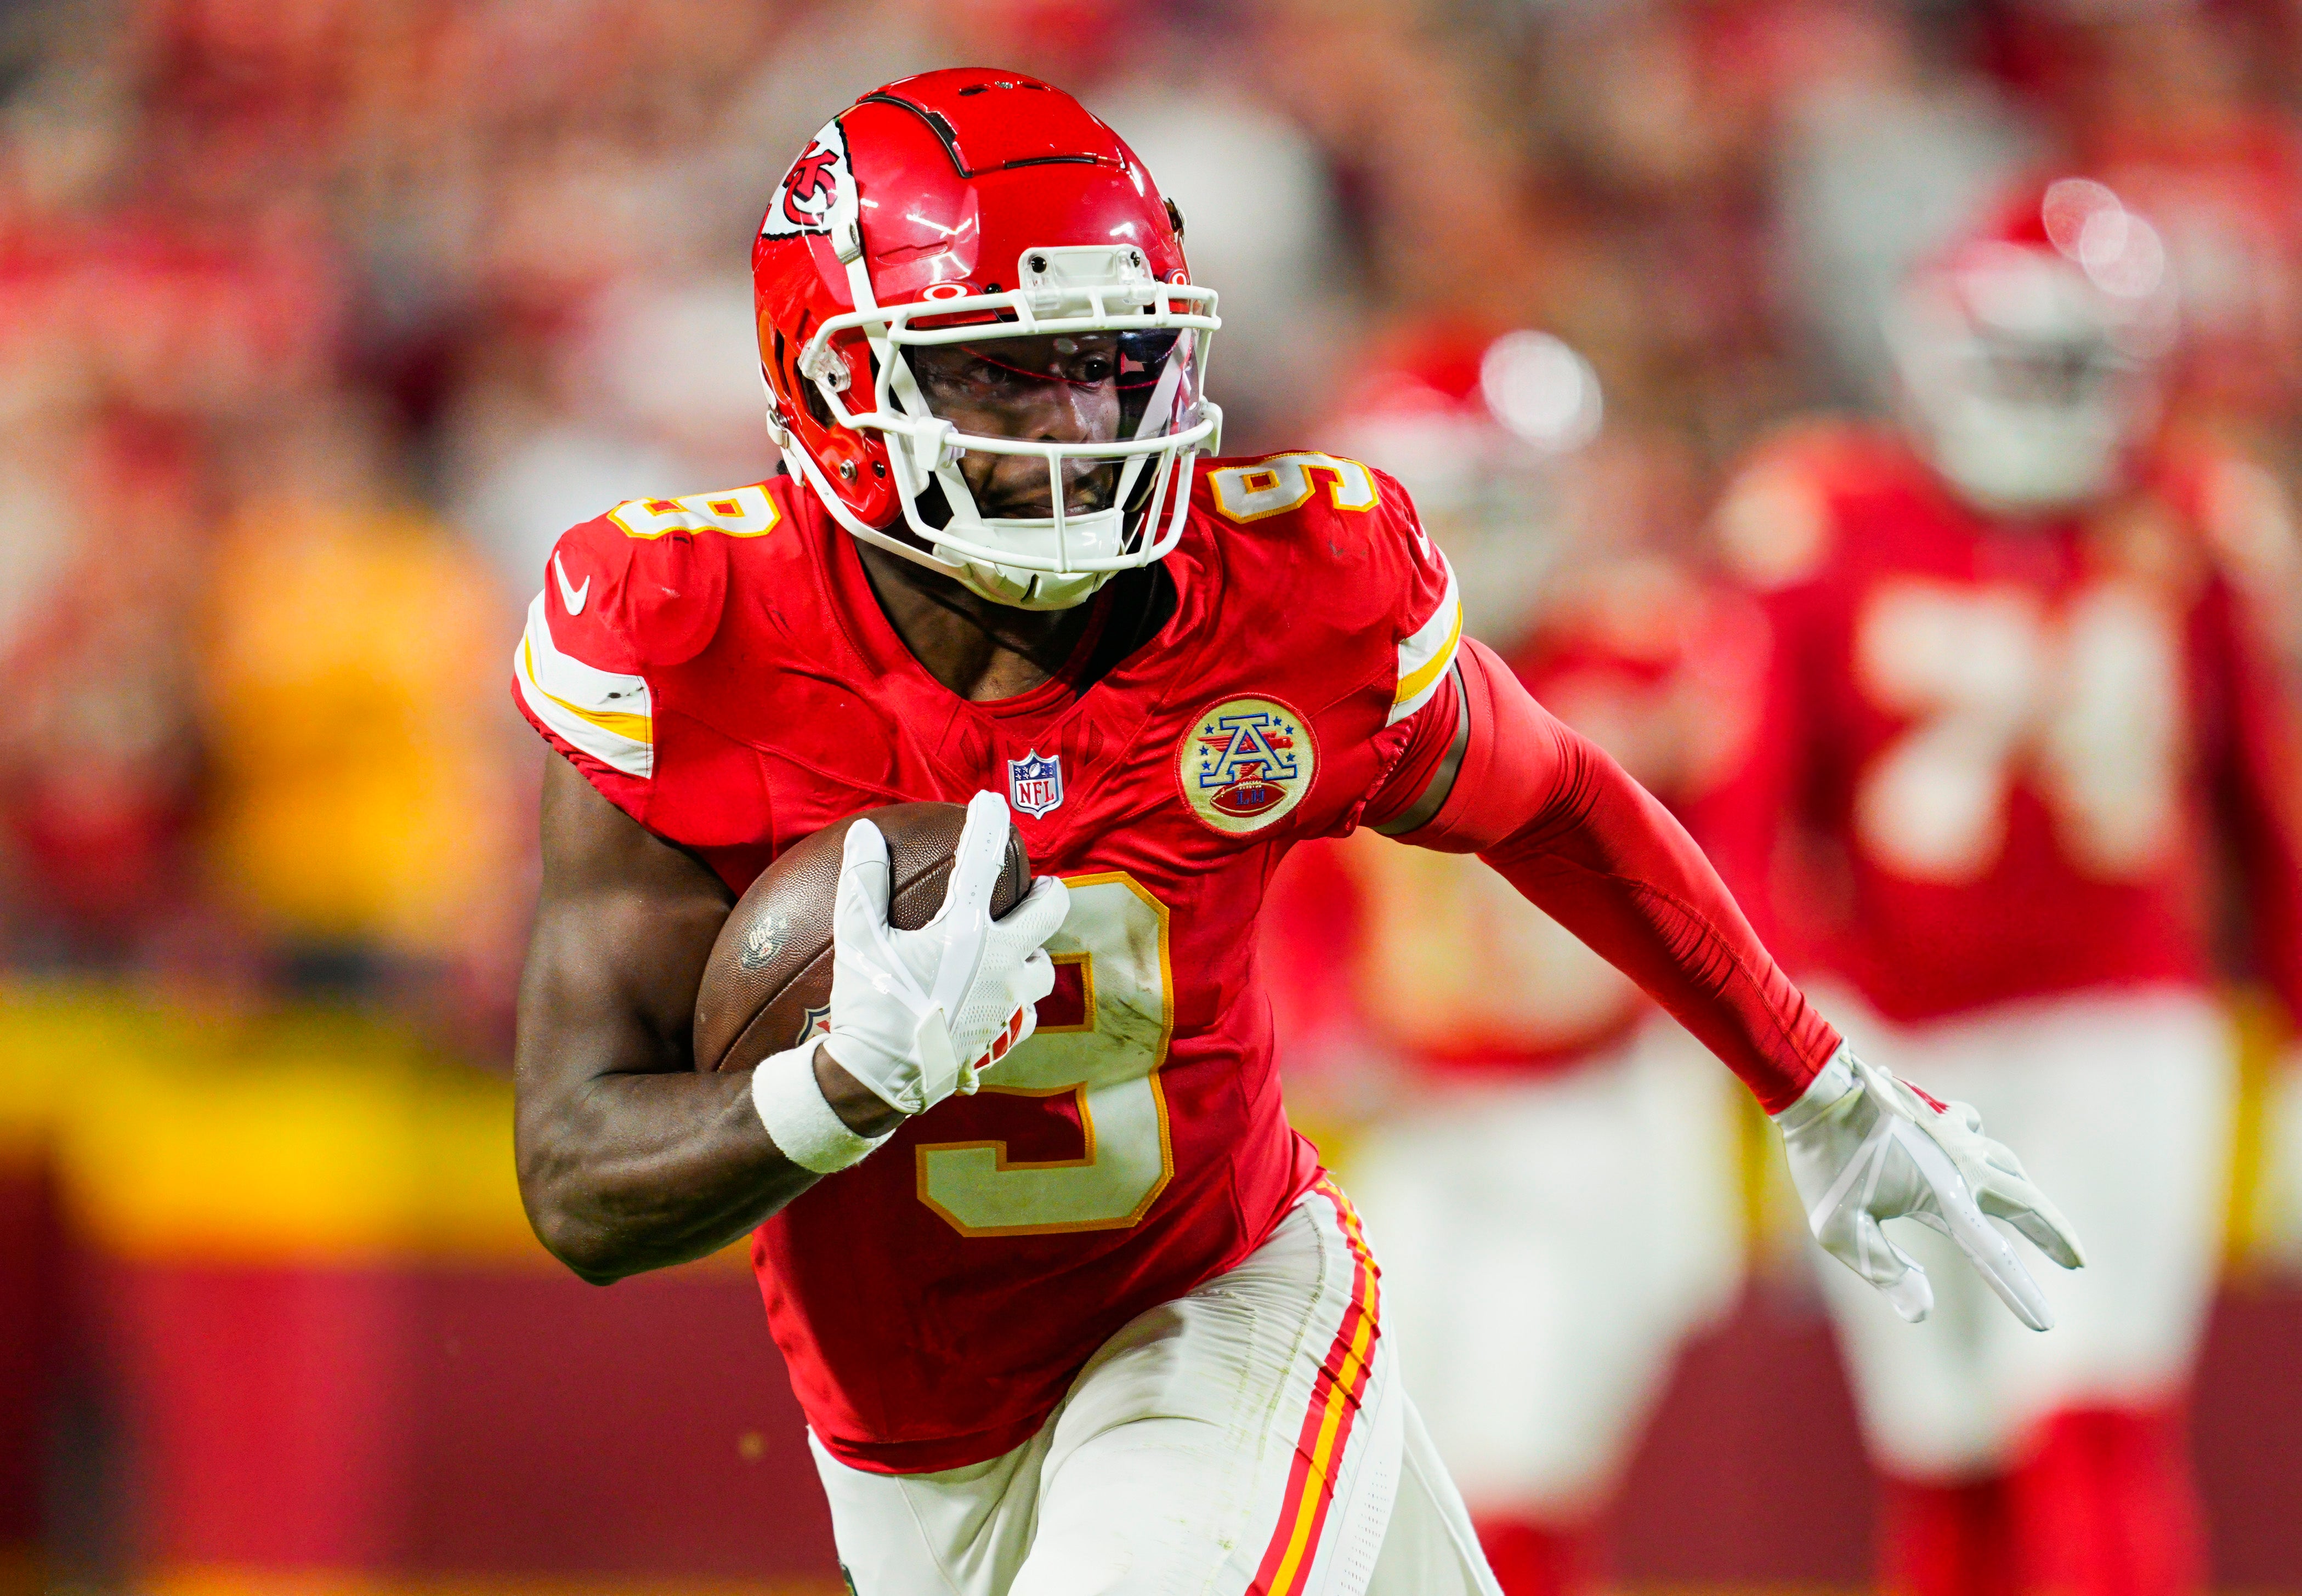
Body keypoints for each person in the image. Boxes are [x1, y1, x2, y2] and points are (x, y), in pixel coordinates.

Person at [508, 70, 2080, 1596]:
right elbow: (580, 1186)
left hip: (1215, 1299)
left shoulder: (1285, 592)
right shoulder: (687, 634)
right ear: (836, 380)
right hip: (902, 1435)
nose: (1076, 420)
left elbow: (1551, 798)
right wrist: (839, 1090)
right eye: (1005, 370)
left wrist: (1809, 1083)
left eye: (1109, 359)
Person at [1696, 176, 2302, 1596]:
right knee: (1944, 1450)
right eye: (2013, 360)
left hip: (2118, 1028)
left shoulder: (2191, 523)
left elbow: (2257, 816)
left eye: (2064, 363)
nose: (2035, 396)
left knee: (2087, 1418)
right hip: (1892, 1039)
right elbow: (1745, 820)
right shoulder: (1820, 521)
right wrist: (1782, 1046)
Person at [1263, 325, 1755, 1595]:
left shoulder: (1648, 653)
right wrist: (1321, 1023)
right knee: (1382, 1486)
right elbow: (1305, 903)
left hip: (1603, 1112)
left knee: (1519, 1480)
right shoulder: (1341, 695)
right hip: (1432, 1121)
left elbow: (1750, 868)